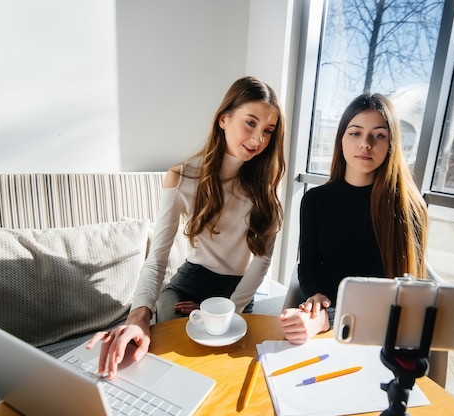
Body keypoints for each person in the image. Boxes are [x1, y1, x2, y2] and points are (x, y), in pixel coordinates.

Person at [88, 76, 286, 377]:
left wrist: (226, 309)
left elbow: (262, 261)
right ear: (224, 118)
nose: (258, 139)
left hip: (237, 292)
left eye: (268, 131)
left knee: (225, 363)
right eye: (250, 123)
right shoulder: (181, 177)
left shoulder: (265, 187)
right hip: (189, 285)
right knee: (175, 355)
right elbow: (157, 258)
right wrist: (139, 315)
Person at [279, 92, 428, 344]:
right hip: (323, 323)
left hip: (379, 329)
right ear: (341, 140)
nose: (365, 143)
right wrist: (315, 296)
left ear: (392, 144)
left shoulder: (408, 207)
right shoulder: (315, 200)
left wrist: (328, 319)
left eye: (379, 135)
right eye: (355, 132)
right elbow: (308, 265)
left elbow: (402, 294)